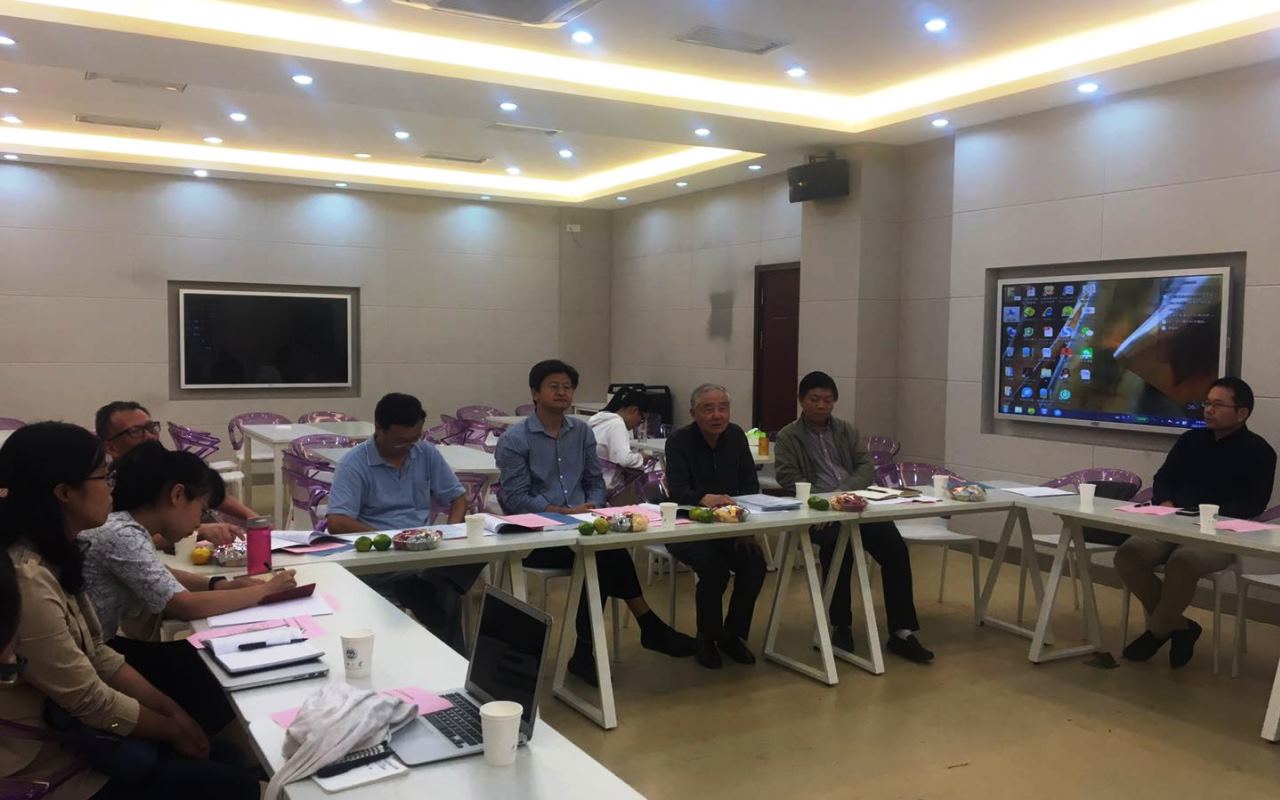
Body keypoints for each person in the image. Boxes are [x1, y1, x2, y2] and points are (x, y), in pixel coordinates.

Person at [0, 422, 259, 800]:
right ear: (64, 492)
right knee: (234, 784)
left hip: (78, 733)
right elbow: (89, 699)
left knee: (225, 756)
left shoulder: (58, 552)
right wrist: (173, 729)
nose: (112, 487)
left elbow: (98, 653)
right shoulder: (27, 581)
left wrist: (173, 713)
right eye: (104, 476)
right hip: (54, 764)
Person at [496, 359, 696, 685]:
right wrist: (561, 512)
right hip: (536, 534)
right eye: (554, 386)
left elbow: (595, 481)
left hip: (583, 526)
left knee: (600, 554)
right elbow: (516, 498)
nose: (562, 392)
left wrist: (594, 508)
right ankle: (643, 627)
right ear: (535, 392)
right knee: (603, 555)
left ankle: (589, 652)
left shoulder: (581, 433)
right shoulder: (515, 439)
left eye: (567, 387)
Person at [79, 441, 298, 732]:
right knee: (216, 672)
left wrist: (220, 585)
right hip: (95, 660)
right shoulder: (121, 533)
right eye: (202, 510)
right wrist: (264, 591)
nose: (198, 523)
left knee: (210, 659)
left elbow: (162, 574)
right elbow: (183, 606)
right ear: (177, 495)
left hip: (102, 649)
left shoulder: (127, 527)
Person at [773, 371, 934, 663]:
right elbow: (787, 476)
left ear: (834, 401)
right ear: (801, 400)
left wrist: (842, 493)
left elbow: (865, 466)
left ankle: (901, 631)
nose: (821, 405)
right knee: (838, 548)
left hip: (855, 506)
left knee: (895, 549)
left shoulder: (846, 430)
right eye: (814, 399)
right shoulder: (788, 436)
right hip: (817, 511)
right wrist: (826, 501)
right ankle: (840, 626)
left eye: (827, 400)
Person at [1116, 376, 1276, 668]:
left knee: (1183, 561)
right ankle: (1181, 626)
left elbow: (1253, 503)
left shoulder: (1260, 452)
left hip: (1219, 534)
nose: (1208, 410)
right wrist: (1165, 502)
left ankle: (1156, 631)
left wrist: (1209, 517)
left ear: (1242, 413)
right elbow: (1163, 478)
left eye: (1218, 405)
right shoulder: (1190, 440)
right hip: (1171, 522)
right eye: (1207, 403)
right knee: (1129, 554)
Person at [326, 392, 480, 654]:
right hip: (379, 555)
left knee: (477, 554)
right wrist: (390, 540)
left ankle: (421, 583)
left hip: (425, 549)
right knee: (445, 594)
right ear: (379, 429)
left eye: (414, 438)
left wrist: (452, 532)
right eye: (400, 440)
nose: (408, 446)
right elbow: (337, 522)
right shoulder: (354, 464)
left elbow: (457, 498)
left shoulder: (424, 452)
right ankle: (456, 661)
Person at [663, 384, 767, 669]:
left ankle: (731, 635)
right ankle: (706, 638)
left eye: (723, 408)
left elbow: (749, 486)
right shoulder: (679, 441)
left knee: (755, 563)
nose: (717, 415)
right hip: (684, 526)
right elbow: (677, 491)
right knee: (714, 568)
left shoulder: (735, 436)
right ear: (693, 413)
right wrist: (702, 498)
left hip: (728, 525)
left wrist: (744, 529)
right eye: (708, 409)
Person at [94, 401, 251, 547]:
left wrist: (252, 517)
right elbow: (125, 537)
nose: (149, 436)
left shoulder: (161, 464)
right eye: (135, 431)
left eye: (151, 427)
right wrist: (198, 531)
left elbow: (202, 488)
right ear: (111, 448)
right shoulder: (104, 487)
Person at [587, 388, 651, 493]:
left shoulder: (600, 420)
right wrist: (641, 458)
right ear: (634, 410)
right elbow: (624, 460)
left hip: (589, 482)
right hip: (604, 487)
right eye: (642, 419)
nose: (639, 424)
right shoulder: (617, 424)